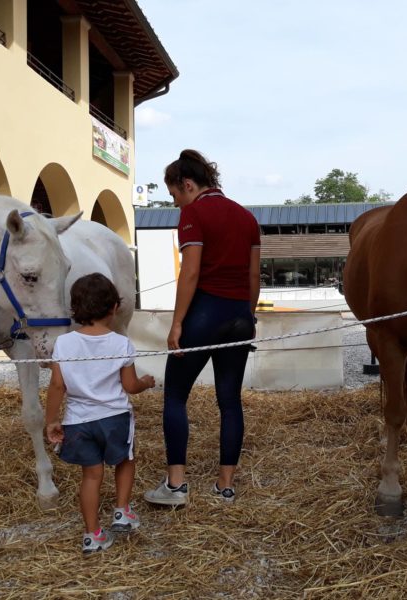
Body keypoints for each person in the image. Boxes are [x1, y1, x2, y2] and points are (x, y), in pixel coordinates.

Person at [144, 149, 261, 507]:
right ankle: (225, 487)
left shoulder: (194, 214)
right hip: (241, 315)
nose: (177, 204)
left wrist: (177, 323)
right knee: (229, 401)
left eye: (175, 195)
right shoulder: (246, 217)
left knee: (176, 395)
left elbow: (190, 273)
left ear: (188, 184)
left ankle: (176, 486)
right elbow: (254, 275)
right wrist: (247, 314)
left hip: (206, 313)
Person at [45, 273, 156, 555]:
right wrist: (145, 382)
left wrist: (51, 420)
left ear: (75, 309)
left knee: (91, 476)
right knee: (125, 460)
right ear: (114, 308)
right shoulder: (121, 343)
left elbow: (57, 385)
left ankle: (92, 534)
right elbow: (130, 386)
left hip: (78, 421)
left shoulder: (63, 344)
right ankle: (122, 512)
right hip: (115, 418)